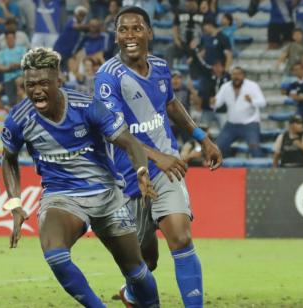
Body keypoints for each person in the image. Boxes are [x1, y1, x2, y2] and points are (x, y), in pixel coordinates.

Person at [2, 47, 160, 307]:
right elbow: (8, 159)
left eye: (44, 83)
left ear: (58, 81)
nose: (37, 90)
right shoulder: (19, 119)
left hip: (107, 194)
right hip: (62, 197)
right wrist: (15, 203)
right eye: (30, 85)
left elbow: (130, 143)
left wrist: (141, 171)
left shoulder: (87, 107)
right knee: (55, 255)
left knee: (135, 270)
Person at [94, 7, 222, 307]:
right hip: (127, 177)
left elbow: (172, 104)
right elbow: (116, 132)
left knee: (181, 238)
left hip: (167, 170)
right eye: (123, 30)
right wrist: (156, 158)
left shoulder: (161, 67)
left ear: (149, 32)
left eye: (136, 28)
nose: (129, 35)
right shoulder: (107, 78)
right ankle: (131, 292)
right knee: (145, 261)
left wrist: (202, 138)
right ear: (116, 36)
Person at [214, 66, 267, 158]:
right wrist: (212, 103)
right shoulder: (225, 87)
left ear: (243, 76)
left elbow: (263, 103)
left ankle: (262, 170)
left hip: (250, 123)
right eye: (234, 74)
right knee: (217, 148)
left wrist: (252, 101)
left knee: (254, 148)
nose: (236, 77)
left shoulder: (252, 86)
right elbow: (217, 103)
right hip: (231, 124)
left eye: (239, 74)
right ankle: (226, 164)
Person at [0, 30, 28, 106]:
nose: (10, 40)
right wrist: (8, 67)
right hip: (8, 79)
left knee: (23, 99)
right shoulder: (2, 52)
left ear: (15, 39)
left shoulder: (22, 49)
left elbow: (27, 63)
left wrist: (17, 64)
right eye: (8, 38)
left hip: (21, 77)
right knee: (12, 102)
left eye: (11, 38)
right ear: (5, 40)